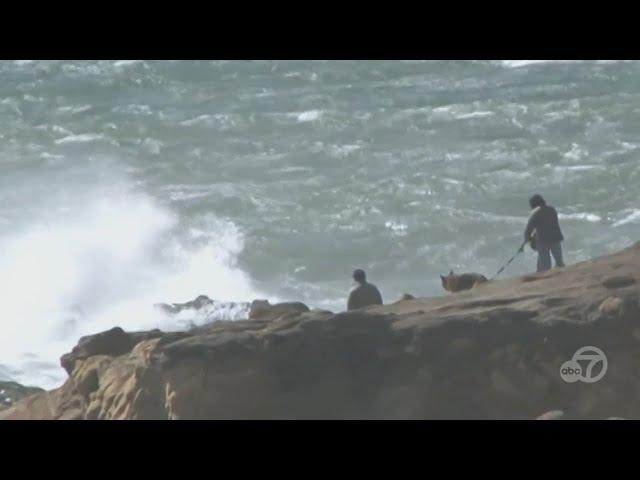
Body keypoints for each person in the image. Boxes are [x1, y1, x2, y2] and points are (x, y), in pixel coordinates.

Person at [522, 194, 565, 272]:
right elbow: (549, 224)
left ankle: (543, 277)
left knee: (545, 265)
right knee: (559, 262)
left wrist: (527, 241)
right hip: (556, 237)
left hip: (543, 241)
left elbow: (528, 230)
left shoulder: (535, 214)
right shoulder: (552, 210)